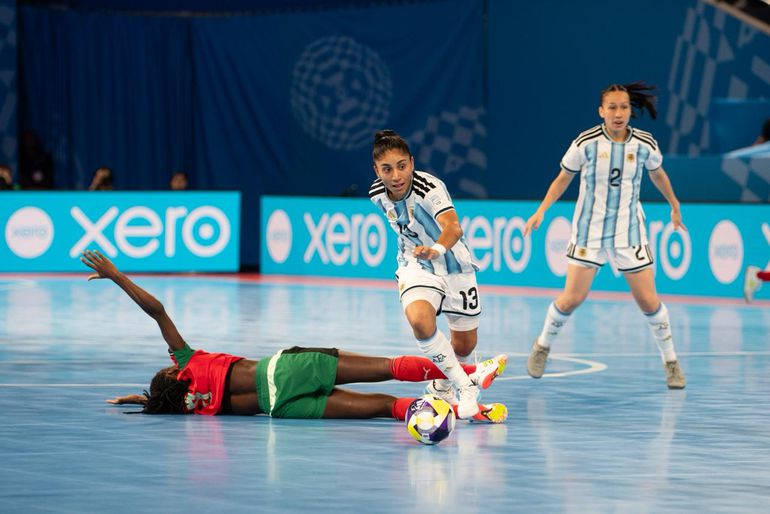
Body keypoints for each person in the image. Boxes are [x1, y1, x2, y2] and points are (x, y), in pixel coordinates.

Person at [80, 250, 508, 422]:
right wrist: (118, 276)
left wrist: (143, 400)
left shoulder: (190, 407)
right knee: (385, 368)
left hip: (283, 407)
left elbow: (163, 399)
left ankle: (447, 415)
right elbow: (157, 310)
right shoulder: (188, 363)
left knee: (383, 408)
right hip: (289, 368)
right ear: (173, 373)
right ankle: (468, 373)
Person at [523, 81, 686, 390]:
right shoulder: (586, 143)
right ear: (601, 111)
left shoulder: (644, 143)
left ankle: (671, 362)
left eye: (624, 107)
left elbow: (658, 174)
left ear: (630, 111)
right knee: (572, 299)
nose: (618, 113)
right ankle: (543, 345)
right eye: (612, 107)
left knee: (649, 301)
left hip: (629, 231)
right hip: (590, 231)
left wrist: (674, 205)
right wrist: (541, 210)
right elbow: (563, 178)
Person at [369, 130, 496, 419]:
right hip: (416, 265)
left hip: (453, 264)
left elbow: (454, 227)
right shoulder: (376, 194)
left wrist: (436, 249)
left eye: (402, 165)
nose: (396, 175)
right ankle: (465, 385)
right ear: (376, 171)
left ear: (412, 163)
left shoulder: (430, 188)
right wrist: (421, 255)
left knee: (464, 344)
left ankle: (441, 387)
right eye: (387, 169)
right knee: (420, 322)